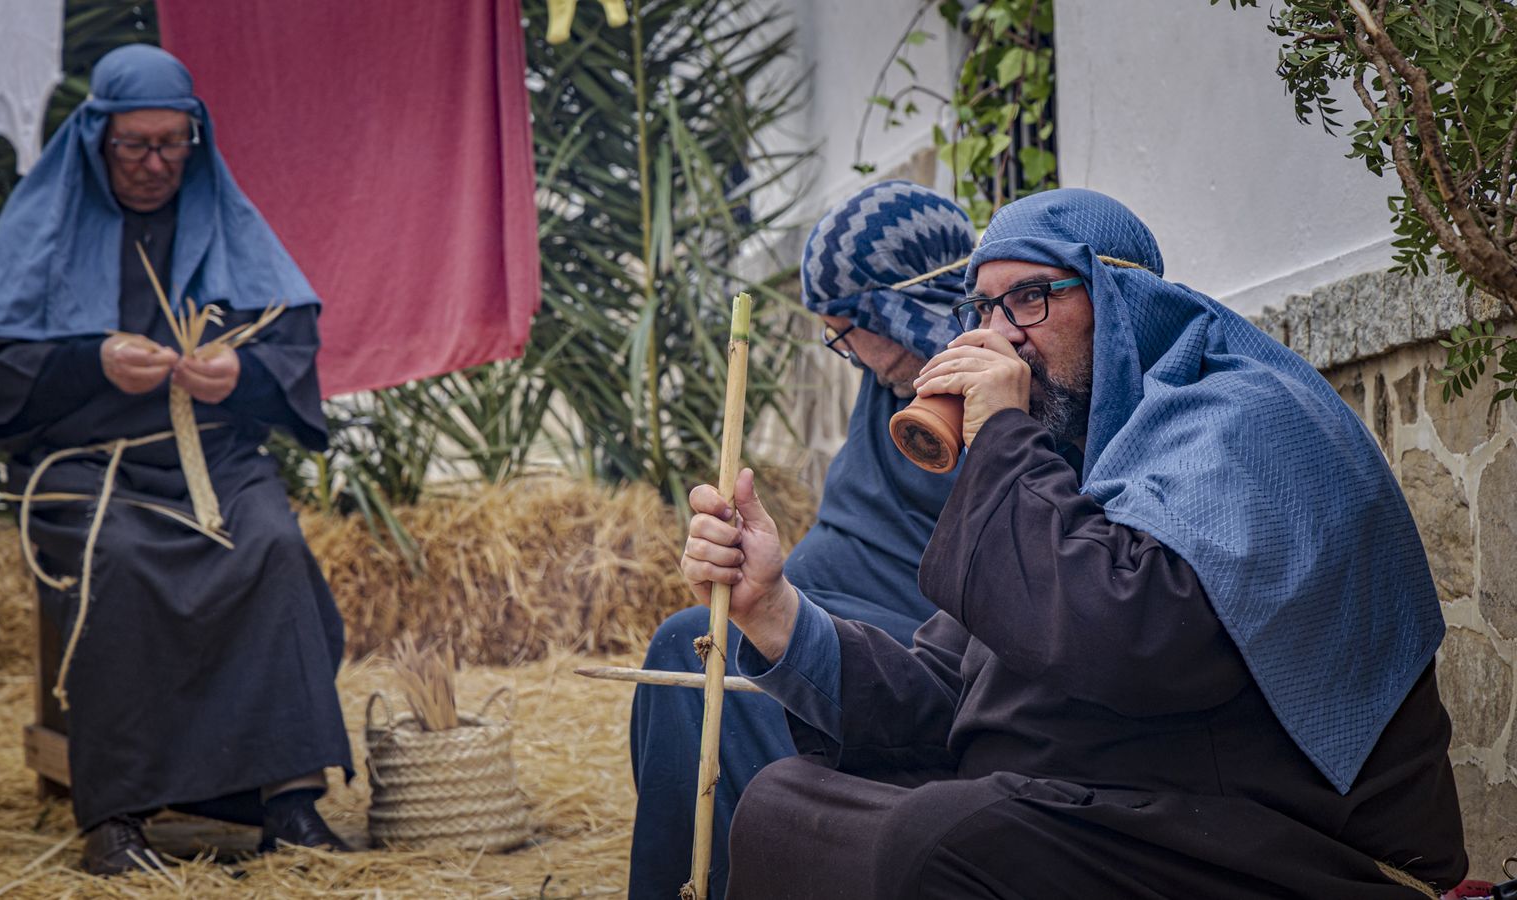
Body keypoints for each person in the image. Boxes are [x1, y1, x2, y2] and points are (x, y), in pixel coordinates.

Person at [680, 188, 1467, 898]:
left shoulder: (1243, 421)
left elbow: (1137, 642)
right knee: (784, 805)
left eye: (1029, 298)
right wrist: (773, 609)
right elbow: (948, 692)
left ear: (1121, 298)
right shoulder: (1080, 455)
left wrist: (1000, 441)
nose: (1001, 335)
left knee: (947, 837)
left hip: (1273, 842)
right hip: (1118, 808)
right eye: (984, 308)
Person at [0, 45, 353, 875]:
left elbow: (294, 348)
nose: (156, 164)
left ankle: (289, 801)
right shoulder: (45, 218)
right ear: (98, 138)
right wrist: (86, 360)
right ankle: (118, 819)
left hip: (212, 458)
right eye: (135, 145)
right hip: (83, 466)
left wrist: (241, 373)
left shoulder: (222, 214)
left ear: (195, 138)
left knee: (271, 544)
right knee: (120, 562)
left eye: (173, 143)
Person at [627, 181, 976, 899]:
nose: (847, 353)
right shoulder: (893, 377)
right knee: (688, 639)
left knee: (728, 661)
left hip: (919, 644)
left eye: (850, 328)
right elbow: (856, 524)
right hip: (826, 601)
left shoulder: (990, 395)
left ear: (899, 306)